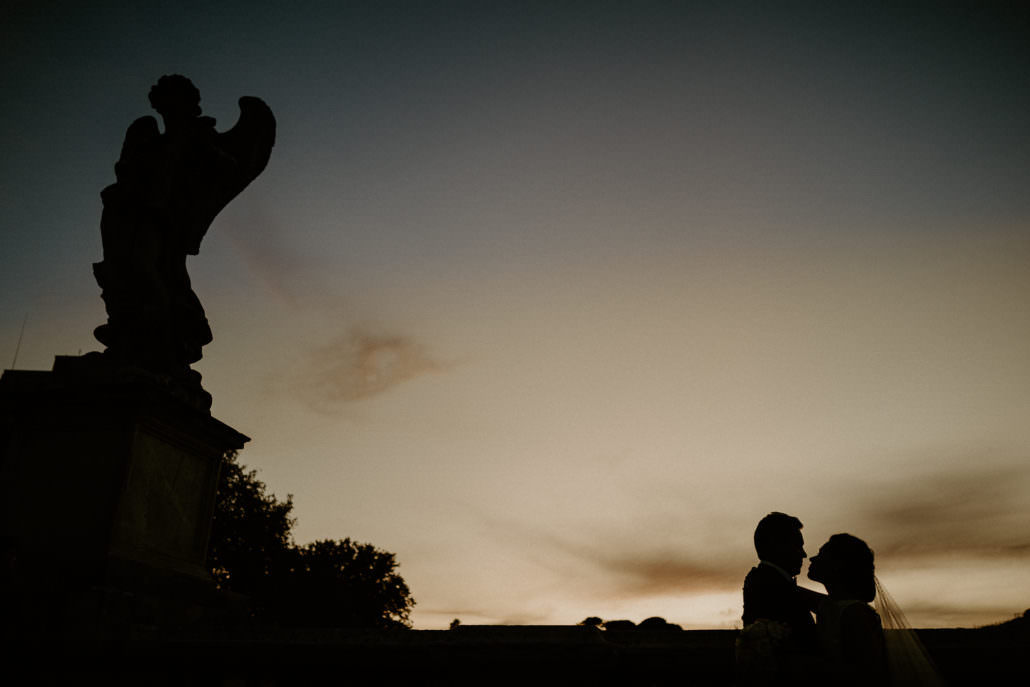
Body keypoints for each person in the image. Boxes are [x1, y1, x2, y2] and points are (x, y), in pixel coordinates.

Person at [736, 512, 820, 684]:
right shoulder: (768, 583)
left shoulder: (769, 580)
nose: (804, 554)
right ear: (777, 546)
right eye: (798, 546)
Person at [806, 534, 888, 685]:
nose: (811, 558)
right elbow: (789, 590)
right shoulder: (832, 604)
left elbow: (866, 673)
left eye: (821, 555)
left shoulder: (856, 613)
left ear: (838, 565)